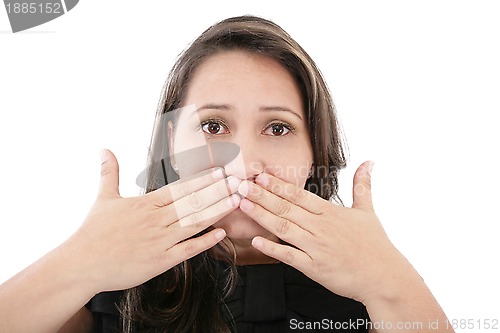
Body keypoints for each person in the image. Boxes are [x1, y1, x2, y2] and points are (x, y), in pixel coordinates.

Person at [0, 16, 454, 333]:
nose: (244, 164)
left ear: (315, 147)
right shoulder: (109, 288)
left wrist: (391, 282)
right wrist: (80, 261)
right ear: (172, 144)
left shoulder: (369, 302)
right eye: (213, 126)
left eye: (278, 128)